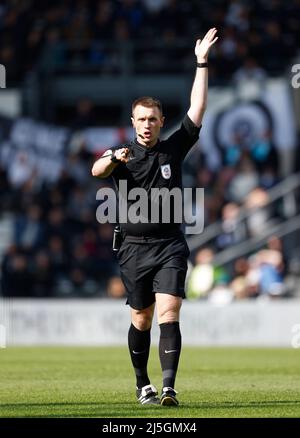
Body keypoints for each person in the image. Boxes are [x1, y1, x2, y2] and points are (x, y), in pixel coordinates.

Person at [91, 28, 218, 406]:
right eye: (141, 119)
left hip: (169, 246)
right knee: (141, 320)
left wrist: (201, 62)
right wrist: (112, 157)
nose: (147, 124)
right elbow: (96, 170)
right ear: (133, 122)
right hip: (132, 249)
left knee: (169, 312)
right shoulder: (122, 156)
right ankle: (141, 382)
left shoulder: (172, 150)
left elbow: (197, 111)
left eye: (153, 119)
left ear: (162, 121)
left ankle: (168, 388)